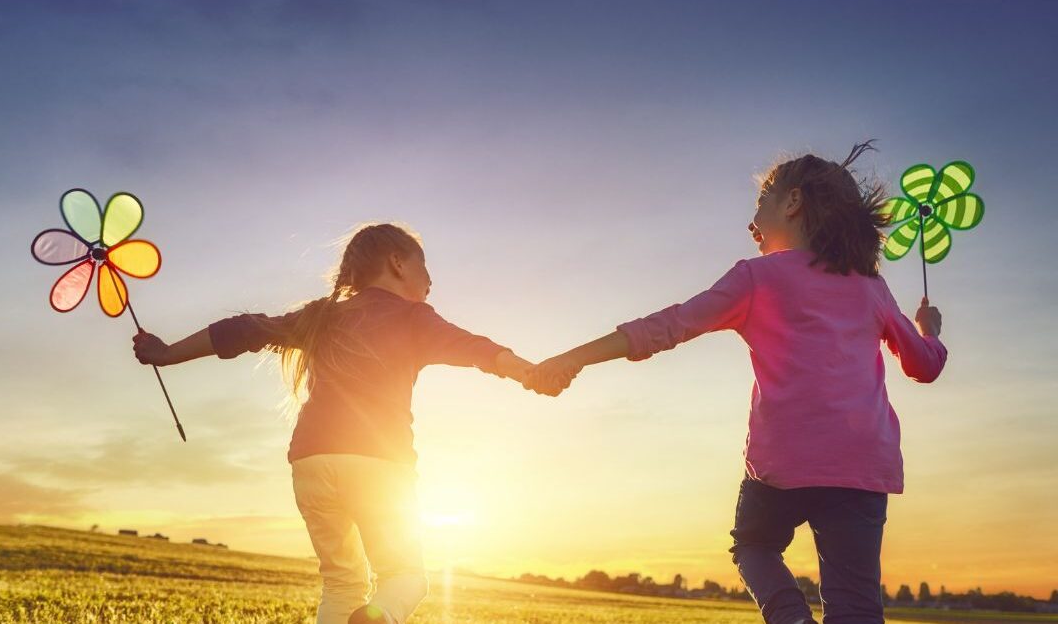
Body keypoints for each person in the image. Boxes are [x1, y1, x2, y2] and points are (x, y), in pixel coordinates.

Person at [527, 142, 946, 624]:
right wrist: (928, 330)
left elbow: (668, 326)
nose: (755, 213)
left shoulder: (756, 278)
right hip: (860, 463)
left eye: (763, 198)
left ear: (792, 202)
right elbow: (924, 366)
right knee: (856, 608)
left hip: (781, 463)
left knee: (753, 544)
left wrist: (574, 357)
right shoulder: (871, 286)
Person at [134, 222, 540, 624]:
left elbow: (243, 330)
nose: (431, 278)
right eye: (424, 264)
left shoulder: (320, 317)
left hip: (311, 461)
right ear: (397, 263)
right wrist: (527, 371)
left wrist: (167, 354)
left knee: (341, 584)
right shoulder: (414, 316)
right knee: (406, 577)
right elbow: (472, 348)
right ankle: (381, 619)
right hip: (380, 462)